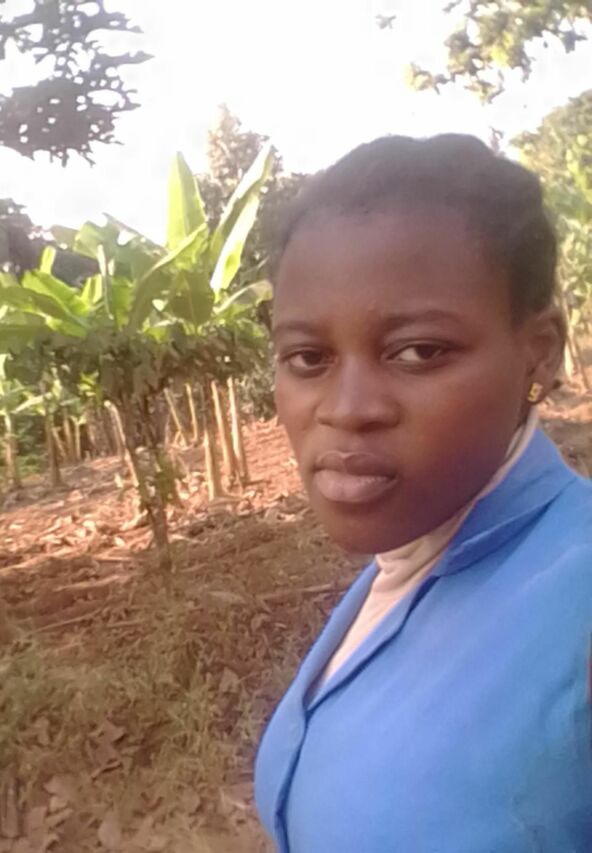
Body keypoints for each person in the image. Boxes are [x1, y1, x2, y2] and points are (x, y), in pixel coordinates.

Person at [254, 134, 592, 853]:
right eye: (308, 357)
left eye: (418, 351)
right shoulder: (404, 565)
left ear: (539, 353)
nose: (347, 409)